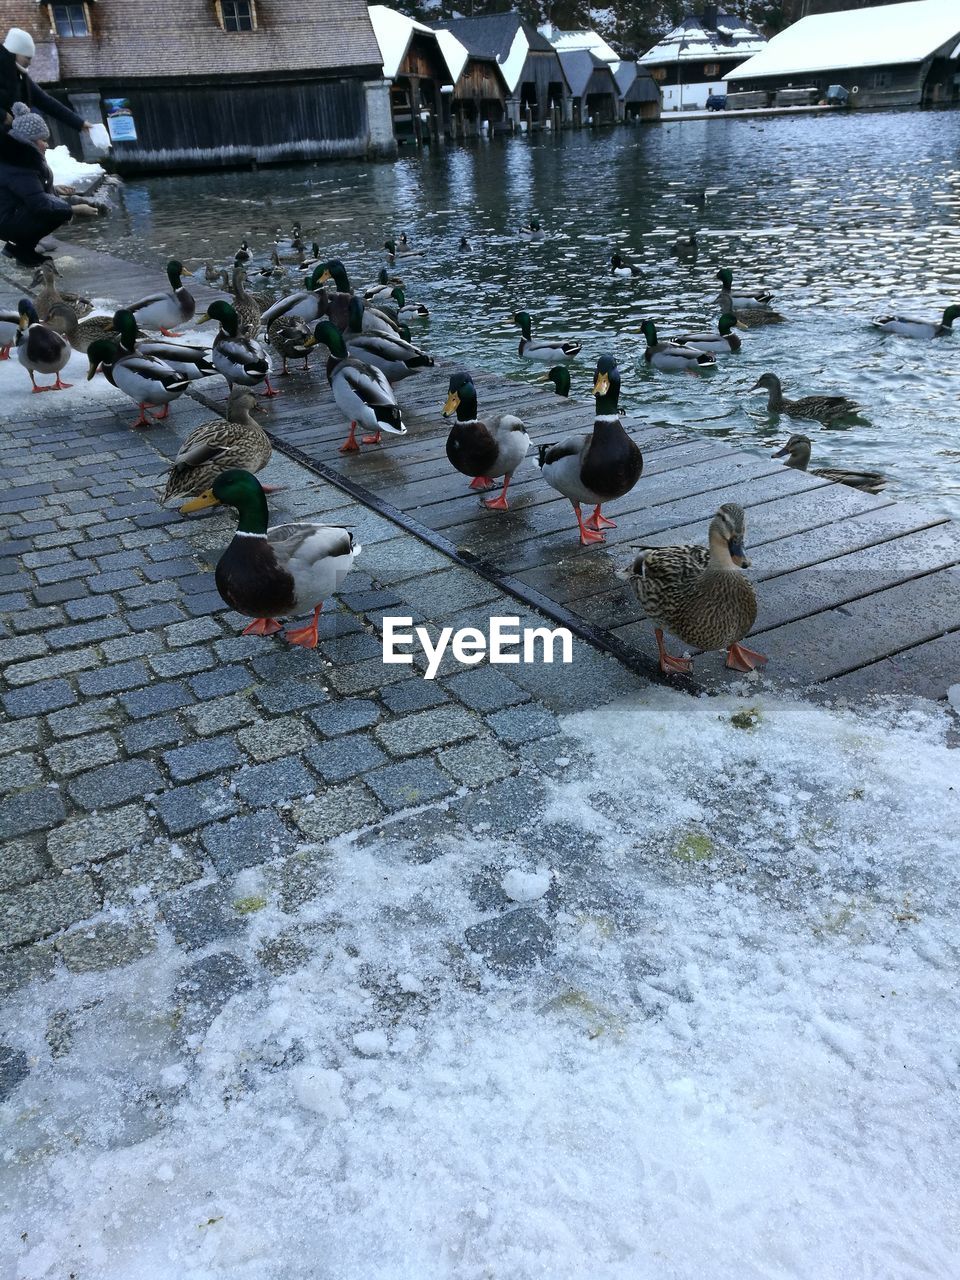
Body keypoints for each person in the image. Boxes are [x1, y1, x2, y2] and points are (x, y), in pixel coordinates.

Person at [0, 103, 73, 266]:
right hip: (6, 220)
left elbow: (32, 192)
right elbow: (38, 202)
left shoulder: (18, 157)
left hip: (7, 216)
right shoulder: (21, 163)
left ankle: (20, 248)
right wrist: (72, 210)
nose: (47, 145)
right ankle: (22, 250)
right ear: (29, 141)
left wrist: (55, 191)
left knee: (56, 207)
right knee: (59, 211)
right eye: (43, 140)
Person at [1, 28, 91, 136]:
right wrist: (2, 115)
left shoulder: (20, 76)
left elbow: (45, 101)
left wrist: (79, 123)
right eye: (27, 58)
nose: (30, 63)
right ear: (15, 52)